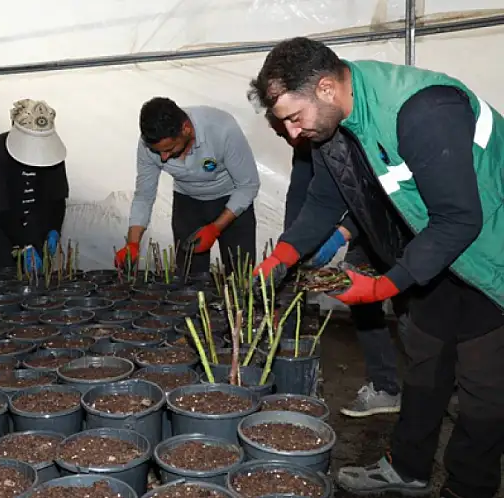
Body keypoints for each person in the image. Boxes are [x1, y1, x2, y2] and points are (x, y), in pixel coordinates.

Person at [249, 37, 504, 498]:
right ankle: (408, 470)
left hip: (491, 258)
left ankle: (469, 487)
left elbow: (462, 217)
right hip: (433, 256)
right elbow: (325, 200)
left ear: (326, 87)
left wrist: (385, 284)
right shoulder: (331, 127)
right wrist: (281, 256)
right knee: (425, 367)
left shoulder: (423, 110)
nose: (291, 133)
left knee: (482, 389)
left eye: (293, 118)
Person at [269, 114, 405, 416]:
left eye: (292, 129)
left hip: (398, 223)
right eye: (283, 135)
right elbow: (302, 195)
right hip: (365, 228)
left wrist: (339, 235)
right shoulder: (304, 143)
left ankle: (437, 383)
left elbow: (377, 195)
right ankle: (385, 387)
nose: (291, 137)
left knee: (412, 313)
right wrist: (290, 249)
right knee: (361, 298)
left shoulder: (346, 132)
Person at [114, 97, 260, 275]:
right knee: (189, 276)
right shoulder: (149, 144)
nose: (164, 158)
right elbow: (144, 195)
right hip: (187, 203)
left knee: (240, 273)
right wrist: (133, 243)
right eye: (158, 152)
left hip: (231, 200)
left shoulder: (222, 129)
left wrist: (215, 228)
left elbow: (248, 185)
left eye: (170, 149)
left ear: (186, 129)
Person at [0, 99, 67, 273]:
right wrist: (23, 246)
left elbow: (58, 198)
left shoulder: (54, 154)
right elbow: (2, 207)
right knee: (5, 274)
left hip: (34, 219)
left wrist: (54, 230)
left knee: (39, 277)